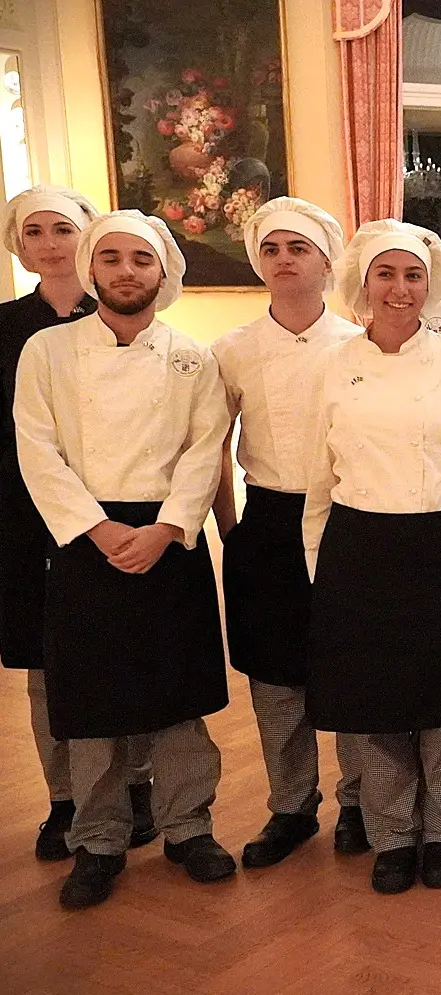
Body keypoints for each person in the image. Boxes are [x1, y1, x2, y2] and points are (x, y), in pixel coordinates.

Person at [14, 210, 234, 908]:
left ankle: (187, 825)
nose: (126, 270)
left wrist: (169, 527)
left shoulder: (193, 356)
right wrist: (97, 529)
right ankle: (99, 839)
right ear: (91, 269)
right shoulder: (46, 352)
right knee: (91, 701)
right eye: (111, 258)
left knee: (178, 697)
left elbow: (207, 449)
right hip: (85, 537)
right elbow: (36, 449)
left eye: (141, 259)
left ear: (162, 269)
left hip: (168, 538)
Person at [303, 219, 441, 895]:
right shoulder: (333, 366)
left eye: (413, 274)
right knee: (378, 704)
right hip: (358, 551)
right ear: (362, 281)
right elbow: (317, 479)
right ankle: (393, 835)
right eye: (385, 273)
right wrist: (318, 567)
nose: (399, 288)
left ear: (431, 283)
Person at [0, 187, 158, 862]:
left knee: (130, 649)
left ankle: (138, 783)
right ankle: (65, 796)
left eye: (63, 228)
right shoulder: (5, 327)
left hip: (115, 513)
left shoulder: (125, 312)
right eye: (34, 230)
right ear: (19, 243)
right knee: (45, 662)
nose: (50, 242)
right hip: (21, 513)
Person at [210, 197, 369, 867]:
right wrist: (231, 530)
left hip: (347, 517)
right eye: (271, 249)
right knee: (275, 677)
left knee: (351, 664)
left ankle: (360, 799)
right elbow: (210, 447)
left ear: (327, 262)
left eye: (297, 248)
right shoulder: (233, 350)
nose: (283, 259)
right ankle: (291, 806)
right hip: (269, 520)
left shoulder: (359, 346)